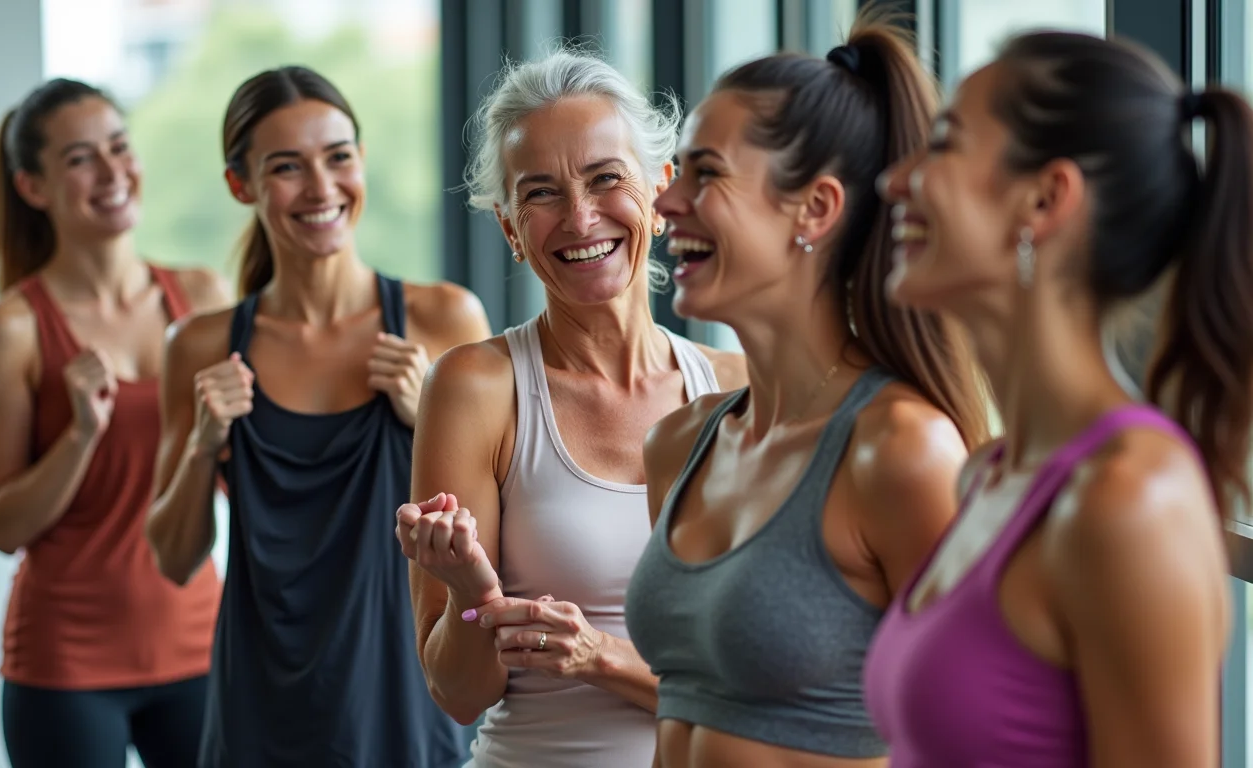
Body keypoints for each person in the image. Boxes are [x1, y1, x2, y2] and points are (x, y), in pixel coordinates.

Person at [863, 31, 1248, 767]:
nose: (895, 180)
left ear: (1044, 198)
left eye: (943, 145)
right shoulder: (991, 475)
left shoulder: (1128, 500)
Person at [625, 15, 993, 768]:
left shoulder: (899, 449)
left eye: (707, 173)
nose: (666, 202)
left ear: (816, 209)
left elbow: (976, 736)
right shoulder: (679, 444)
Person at [394, 49, 746, 768]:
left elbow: (762, 689)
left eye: (605, 178)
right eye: (542, 193)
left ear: (659, 189)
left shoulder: (737, 389)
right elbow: (458, 694)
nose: (580, 217)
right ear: (510, 231)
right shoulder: (475, 386)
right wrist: (473, 589)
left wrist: (602, 657)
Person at [144, 65, 490, 767]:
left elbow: (503, 531)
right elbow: (174, 559)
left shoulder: (443, 318)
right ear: (241, 185)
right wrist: (202, 444)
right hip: (258, 711)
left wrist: (431, 415)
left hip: (405, 701)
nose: (322, 188)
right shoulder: (201, 345)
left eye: (338, 157)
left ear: (361, 161)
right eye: (287, 168)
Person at [0, 78, 228, 768]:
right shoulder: (13, 329)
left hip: (201, 646)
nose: (113, 172)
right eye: (82, 158)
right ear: (33, 186)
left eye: (120, 147)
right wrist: (81, 432)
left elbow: (244, 477)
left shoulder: (200, 298)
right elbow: (3, 525)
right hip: (65, 667)